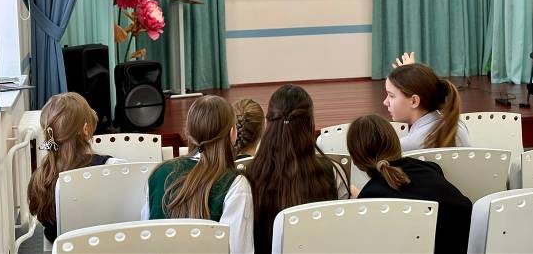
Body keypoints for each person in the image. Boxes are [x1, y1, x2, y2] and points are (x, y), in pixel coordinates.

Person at [347, 115, 472, 254]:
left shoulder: (370, 198)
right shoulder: (431, 168)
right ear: (396, 145)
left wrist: (359, 202)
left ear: (355, 160)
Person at [247, 84, 349, 254]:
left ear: (267, 122)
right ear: (310, 124)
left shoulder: (246, 174)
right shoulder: (332, 170)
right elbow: (340, 227)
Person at [144, 95, 253, 254]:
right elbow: (239, 250)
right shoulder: (236, 184)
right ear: (232, 134)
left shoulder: (158, 174)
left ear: (188, 133)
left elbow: (145, 234)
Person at [27, 92, 125, 245]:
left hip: (62, 247)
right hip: (109, 245)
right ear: (85, 129)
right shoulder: (114, 167)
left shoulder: (40, 177)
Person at [384, 63, 470, 151]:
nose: (385, 102)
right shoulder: (458, 127)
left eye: (391, 96)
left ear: (414, 101)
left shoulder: (405, 146)